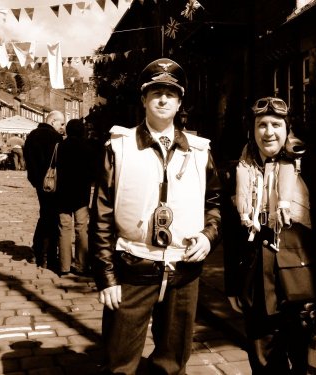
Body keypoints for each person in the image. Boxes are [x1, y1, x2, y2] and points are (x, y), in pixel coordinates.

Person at [89, 58, 222, 375]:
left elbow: (215, 202)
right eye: (155, 92)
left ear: (180, 101)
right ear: (144, 99)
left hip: (184, 271)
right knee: (119, 360)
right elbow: (102, 215)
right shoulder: (118, 148)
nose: (163, 99)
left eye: (170, 93)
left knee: (173, 363)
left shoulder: (200, 151)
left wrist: (208, 235)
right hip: (133, 269)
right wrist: (106, 277)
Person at [224, 97, 316, 374]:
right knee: (263, 364)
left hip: (305, 287)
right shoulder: (241, 171)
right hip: (257, 288)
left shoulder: (313, 167)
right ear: (252, 129)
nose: (268, 132)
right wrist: (232, 283)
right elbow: (233, 234)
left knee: (306, 363)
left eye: (275, 124)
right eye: (261, 125)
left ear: (287, 129)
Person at [23, 110, 65, 269]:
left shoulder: (32, 135)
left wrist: (35, 179)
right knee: (50, 216)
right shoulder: (55, 138)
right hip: (53, 183)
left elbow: (27, 158)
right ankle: (44, 253)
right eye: (61, 124)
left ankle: (40, 252)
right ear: (52, 121)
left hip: (39, 183)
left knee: (45, 214)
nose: (62, 127)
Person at [56, 119, 94, 276]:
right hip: (81, 193)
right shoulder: (87, 147)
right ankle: (81, 265)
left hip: (63, 192)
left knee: (64, 228)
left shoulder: (60, 146)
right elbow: (92, 171)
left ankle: (64, 266)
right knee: (81, 228)